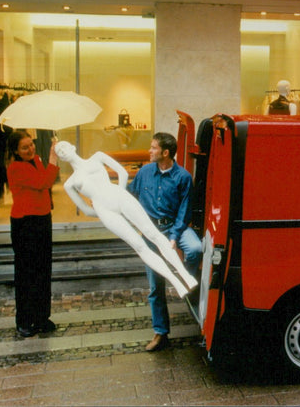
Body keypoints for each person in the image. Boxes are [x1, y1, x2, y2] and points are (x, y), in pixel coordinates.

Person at [54, 141, 198, 300]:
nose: (62, 151)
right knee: (140, 246)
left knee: (153, 234)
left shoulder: (97, 157)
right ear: (60, 158)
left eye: (64, 146)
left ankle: (185, 276)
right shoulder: (70, 183)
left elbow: (122, 172)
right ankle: (175, 282)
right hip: (105, 211)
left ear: (73, 146)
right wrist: (101, 211)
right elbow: (86, 209)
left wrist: (120, 195)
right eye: (59, 151)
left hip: (120, 196)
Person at [127, 133, 203, 352]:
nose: (149, 151)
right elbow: (129, 195)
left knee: (196, 248)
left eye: (153, 148)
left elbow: (185, 210)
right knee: (155, 286)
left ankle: (183, 278)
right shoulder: (144, 172)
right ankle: (161, 333)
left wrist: (174, 236)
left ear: (165, 153)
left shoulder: (183, 177)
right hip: (151, 232)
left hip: (174, 226)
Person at [6, 130, 59, 338]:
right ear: (16, 151)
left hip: (42, 219)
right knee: (27, 273)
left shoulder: (36, 159)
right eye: (24, 147)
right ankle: (25, 320)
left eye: (31, 144)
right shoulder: (15, 168)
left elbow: (44, 183)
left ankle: (41, 317)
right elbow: (42, 183)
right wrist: (53, 159)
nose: (30, 149)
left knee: (43, 269)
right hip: (25, 223)